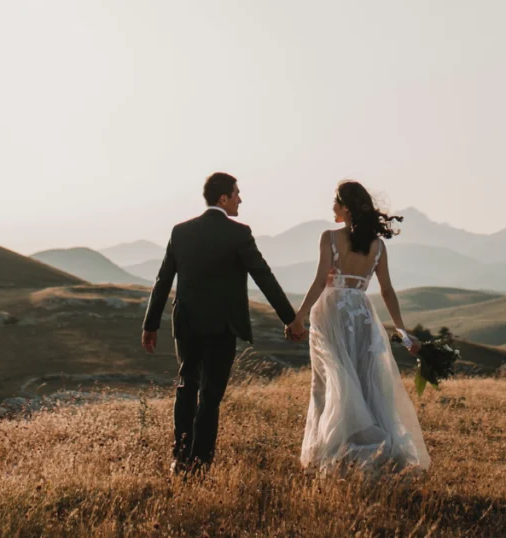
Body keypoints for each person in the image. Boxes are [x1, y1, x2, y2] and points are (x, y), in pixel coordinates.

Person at [141, 172, 303, 474]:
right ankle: (201, 463)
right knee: (211, 395)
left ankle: (180, 457)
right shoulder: (238, 233)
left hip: (186, 324)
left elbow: (163, 279)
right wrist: (290, 319)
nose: (240, 199)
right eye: (237, 193)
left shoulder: (181, 232)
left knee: (187, 386)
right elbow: (263, 277)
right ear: (223, 198)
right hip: (222, 328)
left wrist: (150, 324)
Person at [287, 180, 430, 473]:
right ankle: (372, 448)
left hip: (331, 314)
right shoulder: (377, 246)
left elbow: (318, 282)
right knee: (365, 381)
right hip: (362, 315)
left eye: (336, 202)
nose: (332, 207)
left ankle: (335, 450)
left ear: (347, 208)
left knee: (330, 380)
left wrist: (299, 315)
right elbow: (387, 291)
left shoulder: (328, 237)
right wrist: (402, 332)